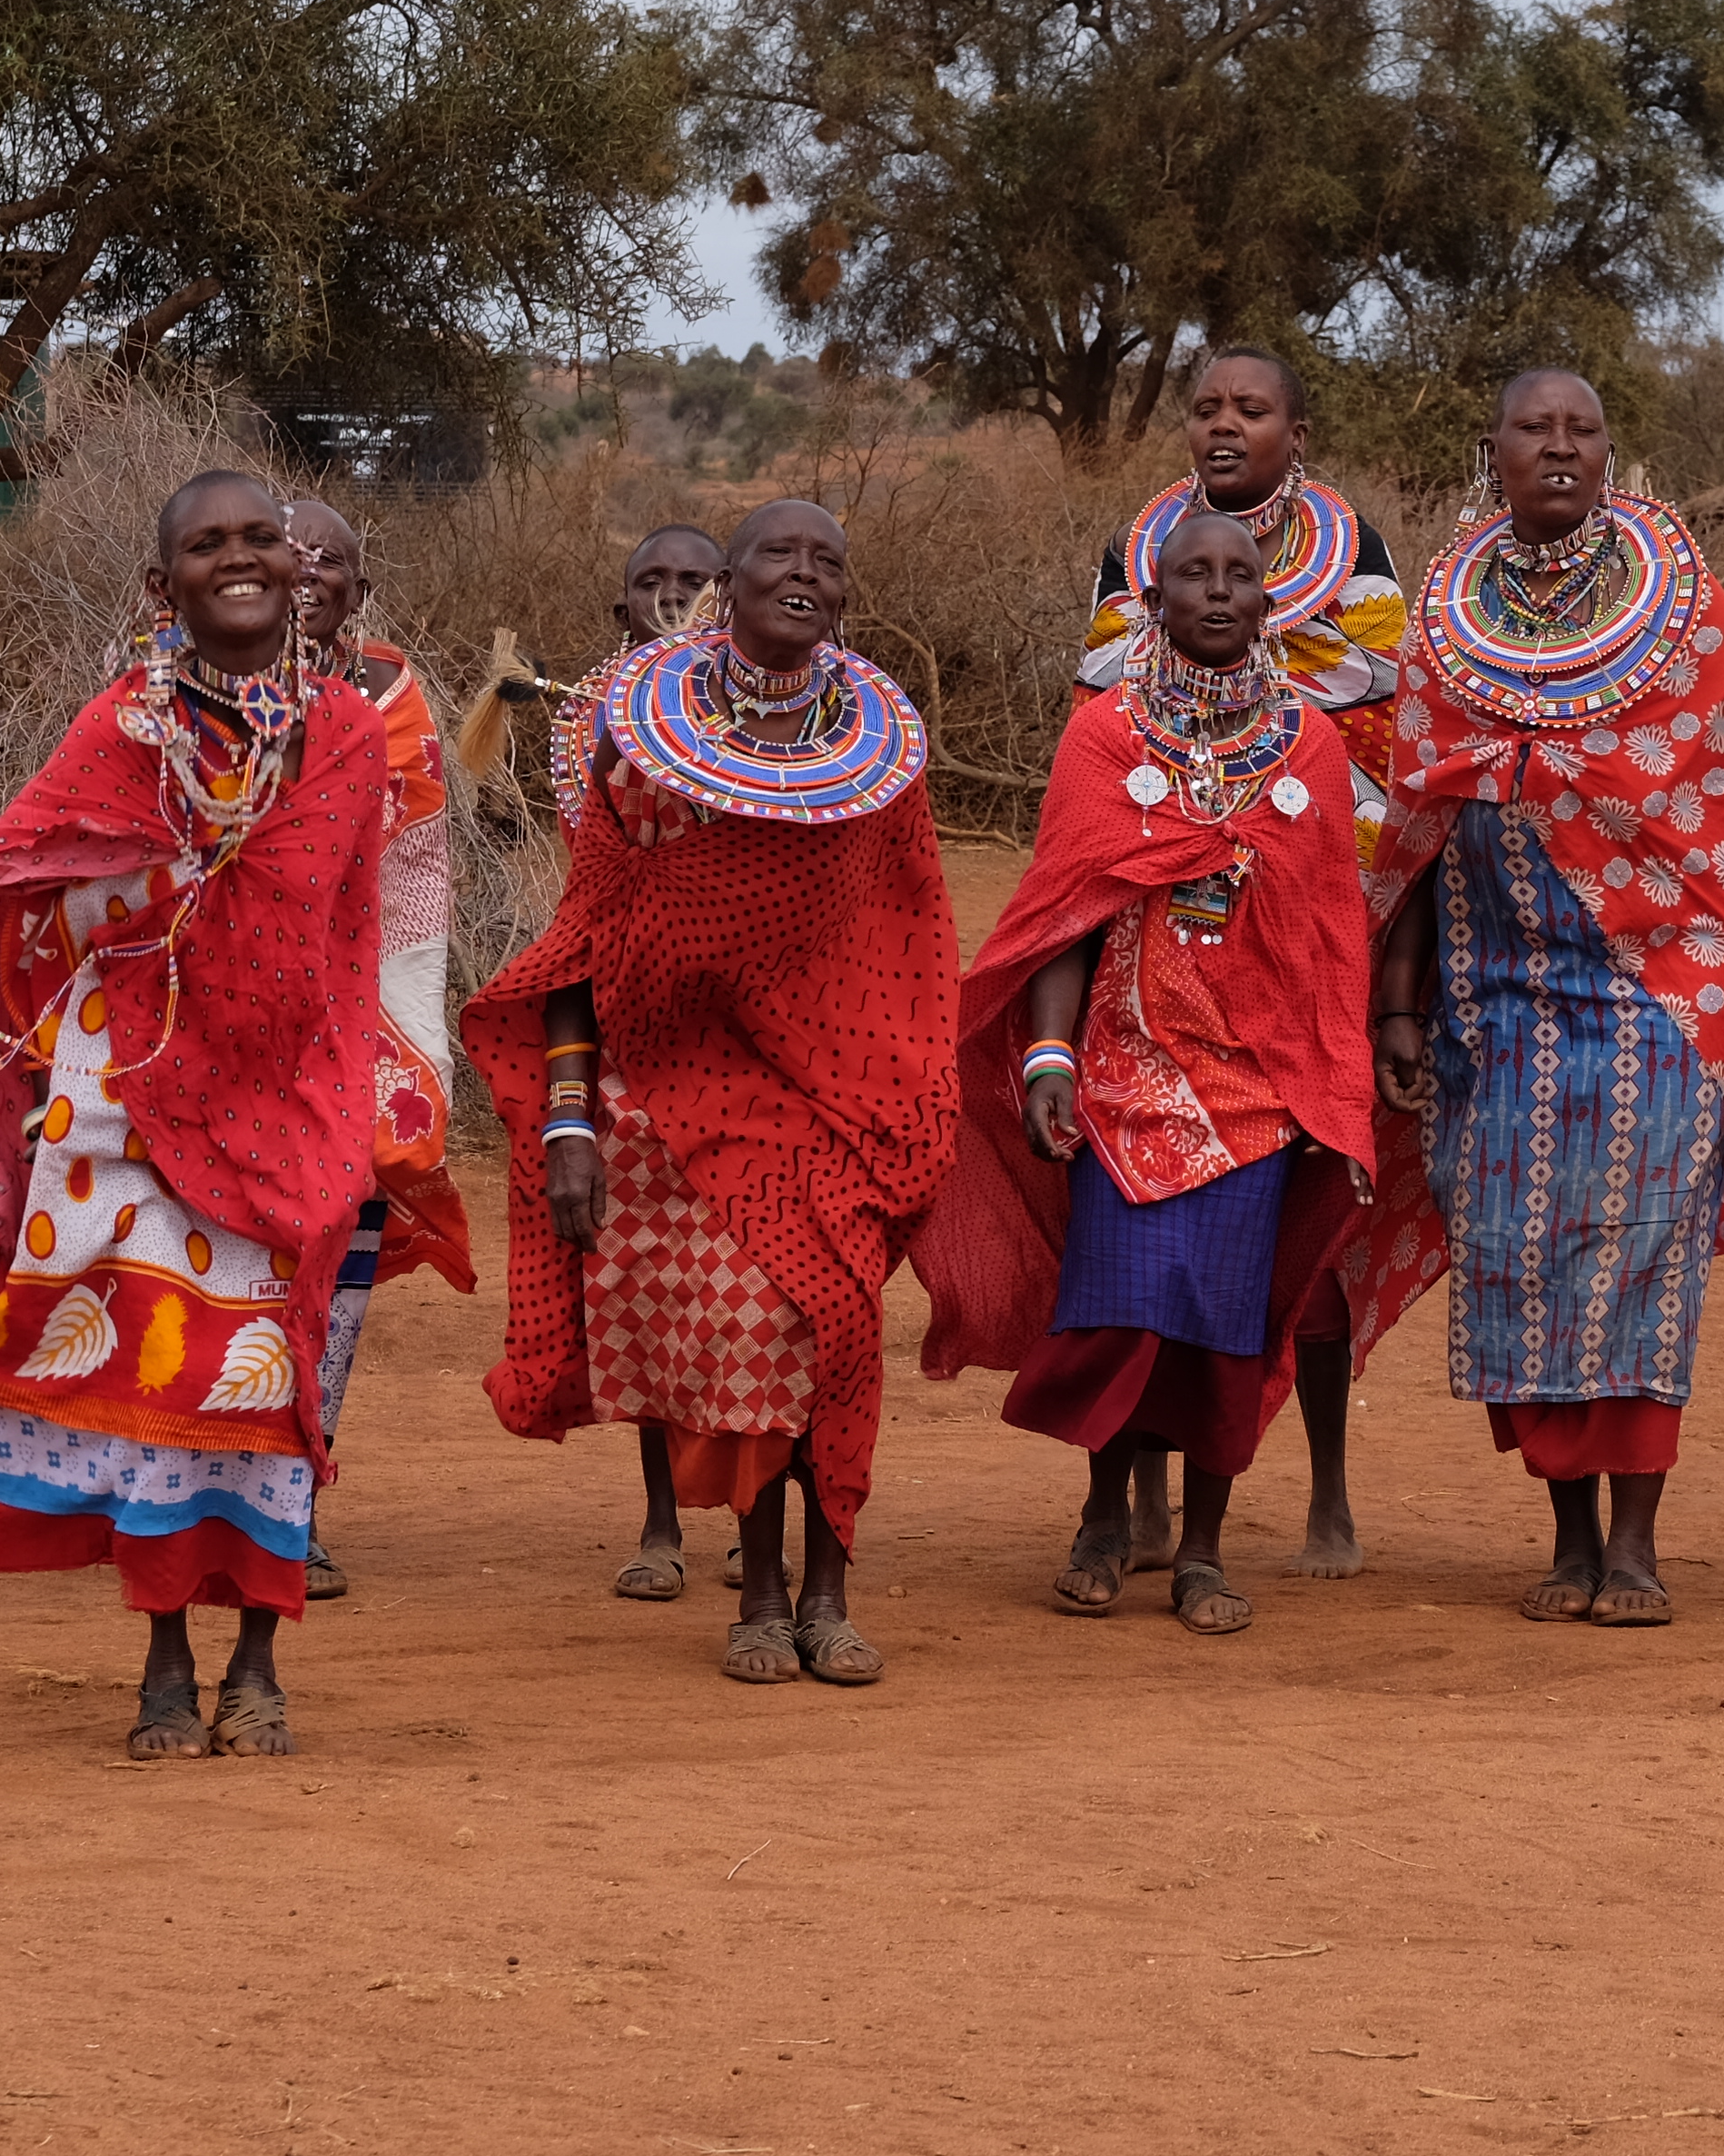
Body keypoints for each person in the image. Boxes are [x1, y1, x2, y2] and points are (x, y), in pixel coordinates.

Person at [0, 469, 394, 1757]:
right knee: (156, 1376)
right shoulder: (123, 729)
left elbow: (348, 927)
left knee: (269, 1382)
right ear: (162, 587)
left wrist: (360, 1081)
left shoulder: (345, 732)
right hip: (130, 1100)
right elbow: (27, 881)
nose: (241, 559)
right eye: (208, 545)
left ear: (299, 568)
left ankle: (259, 1660)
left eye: (261, 539)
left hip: (292, 1097)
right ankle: (166, 1662)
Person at [1362, 369, 1724, 1626]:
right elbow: (1419, 823)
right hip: (1496, 1001)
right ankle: (1569, 1538)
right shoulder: (1444, 613)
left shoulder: (1682, 605)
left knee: (1643, 1257)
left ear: (1608, 452)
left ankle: (1633, 1548)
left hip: (1660, 995)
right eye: (1534, 429)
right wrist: (1401, 1006)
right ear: (1492, 450)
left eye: (1581, 430)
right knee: (1518, 1255)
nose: (1560, 448)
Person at [461, 499, 957, 1686]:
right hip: (694, 1092)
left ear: (846, 594)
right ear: (724, 588)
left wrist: (917, 1077)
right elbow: (589, 935)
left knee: (839, 1328)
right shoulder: (643, 746)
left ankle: (830, 1588)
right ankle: (767, 1593)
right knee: (760, 1335)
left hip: (845, 1087)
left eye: (826, 560)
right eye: (778, 554)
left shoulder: (883, 755)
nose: (803, 572)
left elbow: (913, 929)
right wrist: (570, 1116)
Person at [923, 505, 1375, 1637]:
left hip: (1259, 1089)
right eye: (1195, 574)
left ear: (1270, 600)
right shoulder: (1106, 737)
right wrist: (1049, 1057)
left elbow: (1331, 933)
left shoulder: (1310, 747)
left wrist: (1329, 1082)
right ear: (1153, 599)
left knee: (1223, 1325)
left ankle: (1206, 1553)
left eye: (1240, 574)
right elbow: (1063, 913)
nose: (1219, 590)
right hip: (1121, 1079)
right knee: (1118, 1308)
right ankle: (1104, 1518)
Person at [1075, 344, 1405, 1577]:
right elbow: (1100, 685)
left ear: (1294, 432)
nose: (1225, 425)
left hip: (1323, 909)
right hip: (1151, 928)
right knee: (1138, 1240)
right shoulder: (1136, 544)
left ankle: (1327, 1487)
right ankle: (1141, 1501)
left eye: (1251, 409)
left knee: (1301, 1237)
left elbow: (1387, 709)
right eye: (1207, 407)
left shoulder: (1355, 550)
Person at [277, 495, 476, 1603]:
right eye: (285, 551)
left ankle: (294, 1498)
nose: (306, 572)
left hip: (356, 1020)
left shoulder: (392, 697)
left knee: (337, 1265)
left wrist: (404, 1037)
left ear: (362, 589)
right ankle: (196, 1489)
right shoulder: (169, 685)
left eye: (331, 561)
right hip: (221, 1024)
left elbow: (415, 869)